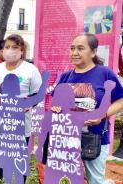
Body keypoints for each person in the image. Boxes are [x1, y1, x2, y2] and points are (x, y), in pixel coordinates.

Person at [48, 33, 123, 184]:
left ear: (93, 52)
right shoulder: (65, 77)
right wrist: (56, 109)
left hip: (95, 137)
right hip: (67, 138)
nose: (74, 53)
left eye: (80, 48)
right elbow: (56, 103)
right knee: (69, 178)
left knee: (95, 180)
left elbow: (120, 100)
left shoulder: (105, 73)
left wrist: (101, 115)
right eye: (72, 48)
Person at [0, 34, 42, 183]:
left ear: (22, 50)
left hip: (21, 122)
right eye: (7, 47)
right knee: (2, 154)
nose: (10, 50)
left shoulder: (31, 69)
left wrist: (30, 103)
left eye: (14, 47)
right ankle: (2, 179)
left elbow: (39, 93)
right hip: (1, 122)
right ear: (2, 50)